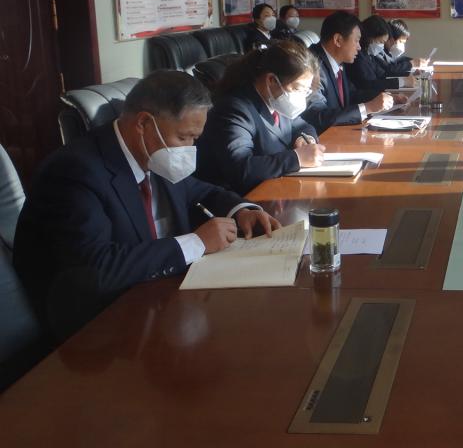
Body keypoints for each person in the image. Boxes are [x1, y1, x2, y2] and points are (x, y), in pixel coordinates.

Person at [13, 71, 280, 341]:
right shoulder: (74, 171)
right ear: (143, 123)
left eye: (195, 139)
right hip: (96, 329)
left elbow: (200, 190)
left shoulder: (153, 153)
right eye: (184, 137)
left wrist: (242, 210)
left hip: (157, 298)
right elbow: (94, 268)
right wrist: (196, 243)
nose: (189, 149)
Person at [197, 41, 325, 195]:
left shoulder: (276, 101)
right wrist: (296, 158)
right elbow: (241, 169)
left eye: (305, 91)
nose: (301, 97)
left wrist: (304, 138)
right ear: (271, 80)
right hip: (242, 198)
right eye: (298, 88)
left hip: (277, 188)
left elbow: (302, 125)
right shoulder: (234, 109)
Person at [301, 11, 399, 132]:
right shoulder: (311, 66)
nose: (359, 47)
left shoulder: (337, 61)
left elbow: (352, 95)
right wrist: (367, 108)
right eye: (356, 40)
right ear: (338, 40)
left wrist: (384, 97)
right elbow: (318, 116)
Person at [348, 15, 417, 93]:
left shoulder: (369, 54)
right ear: (370, 37)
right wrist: (402, 82)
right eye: (380, 42)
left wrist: (407, 75)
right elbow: (368, 85)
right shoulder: (358, 56)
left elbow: (383, 74)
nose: (382, 47)